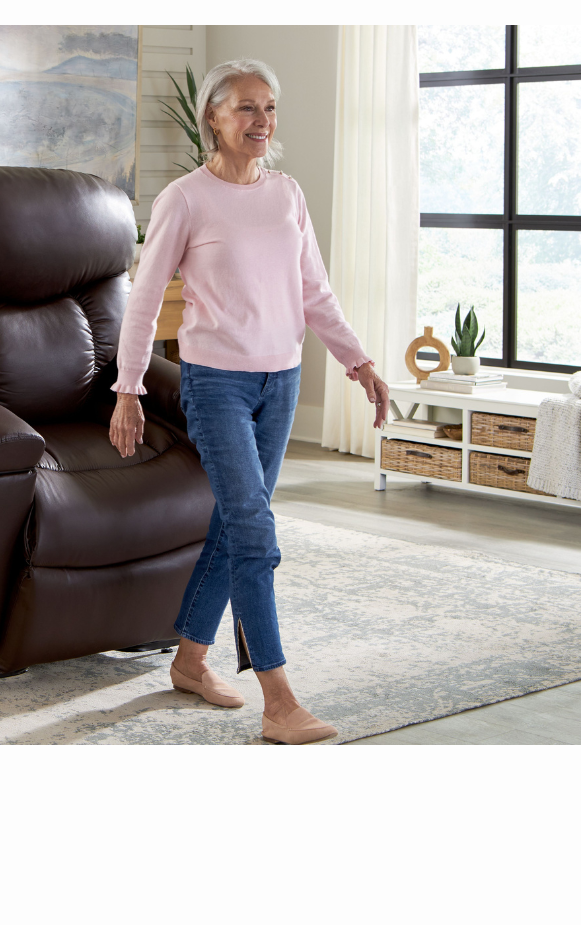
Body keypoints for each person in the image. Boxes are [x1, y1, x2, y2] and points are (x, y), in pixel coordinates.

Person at [109, 59, 389, 744]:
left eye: (268, 108)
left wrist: (358, 361)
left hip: (282, 382)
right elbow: (144, 300)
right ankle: (279, 700)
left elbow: (314, 290)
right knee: (256, 534)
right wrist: (129, 387)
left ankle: (189, 661)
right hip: (217, 384)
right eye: (245, 108)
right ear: (213, 115)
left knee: (235, 527)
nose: (261, 121)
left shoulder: (287, 194)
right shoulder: (186, 199)